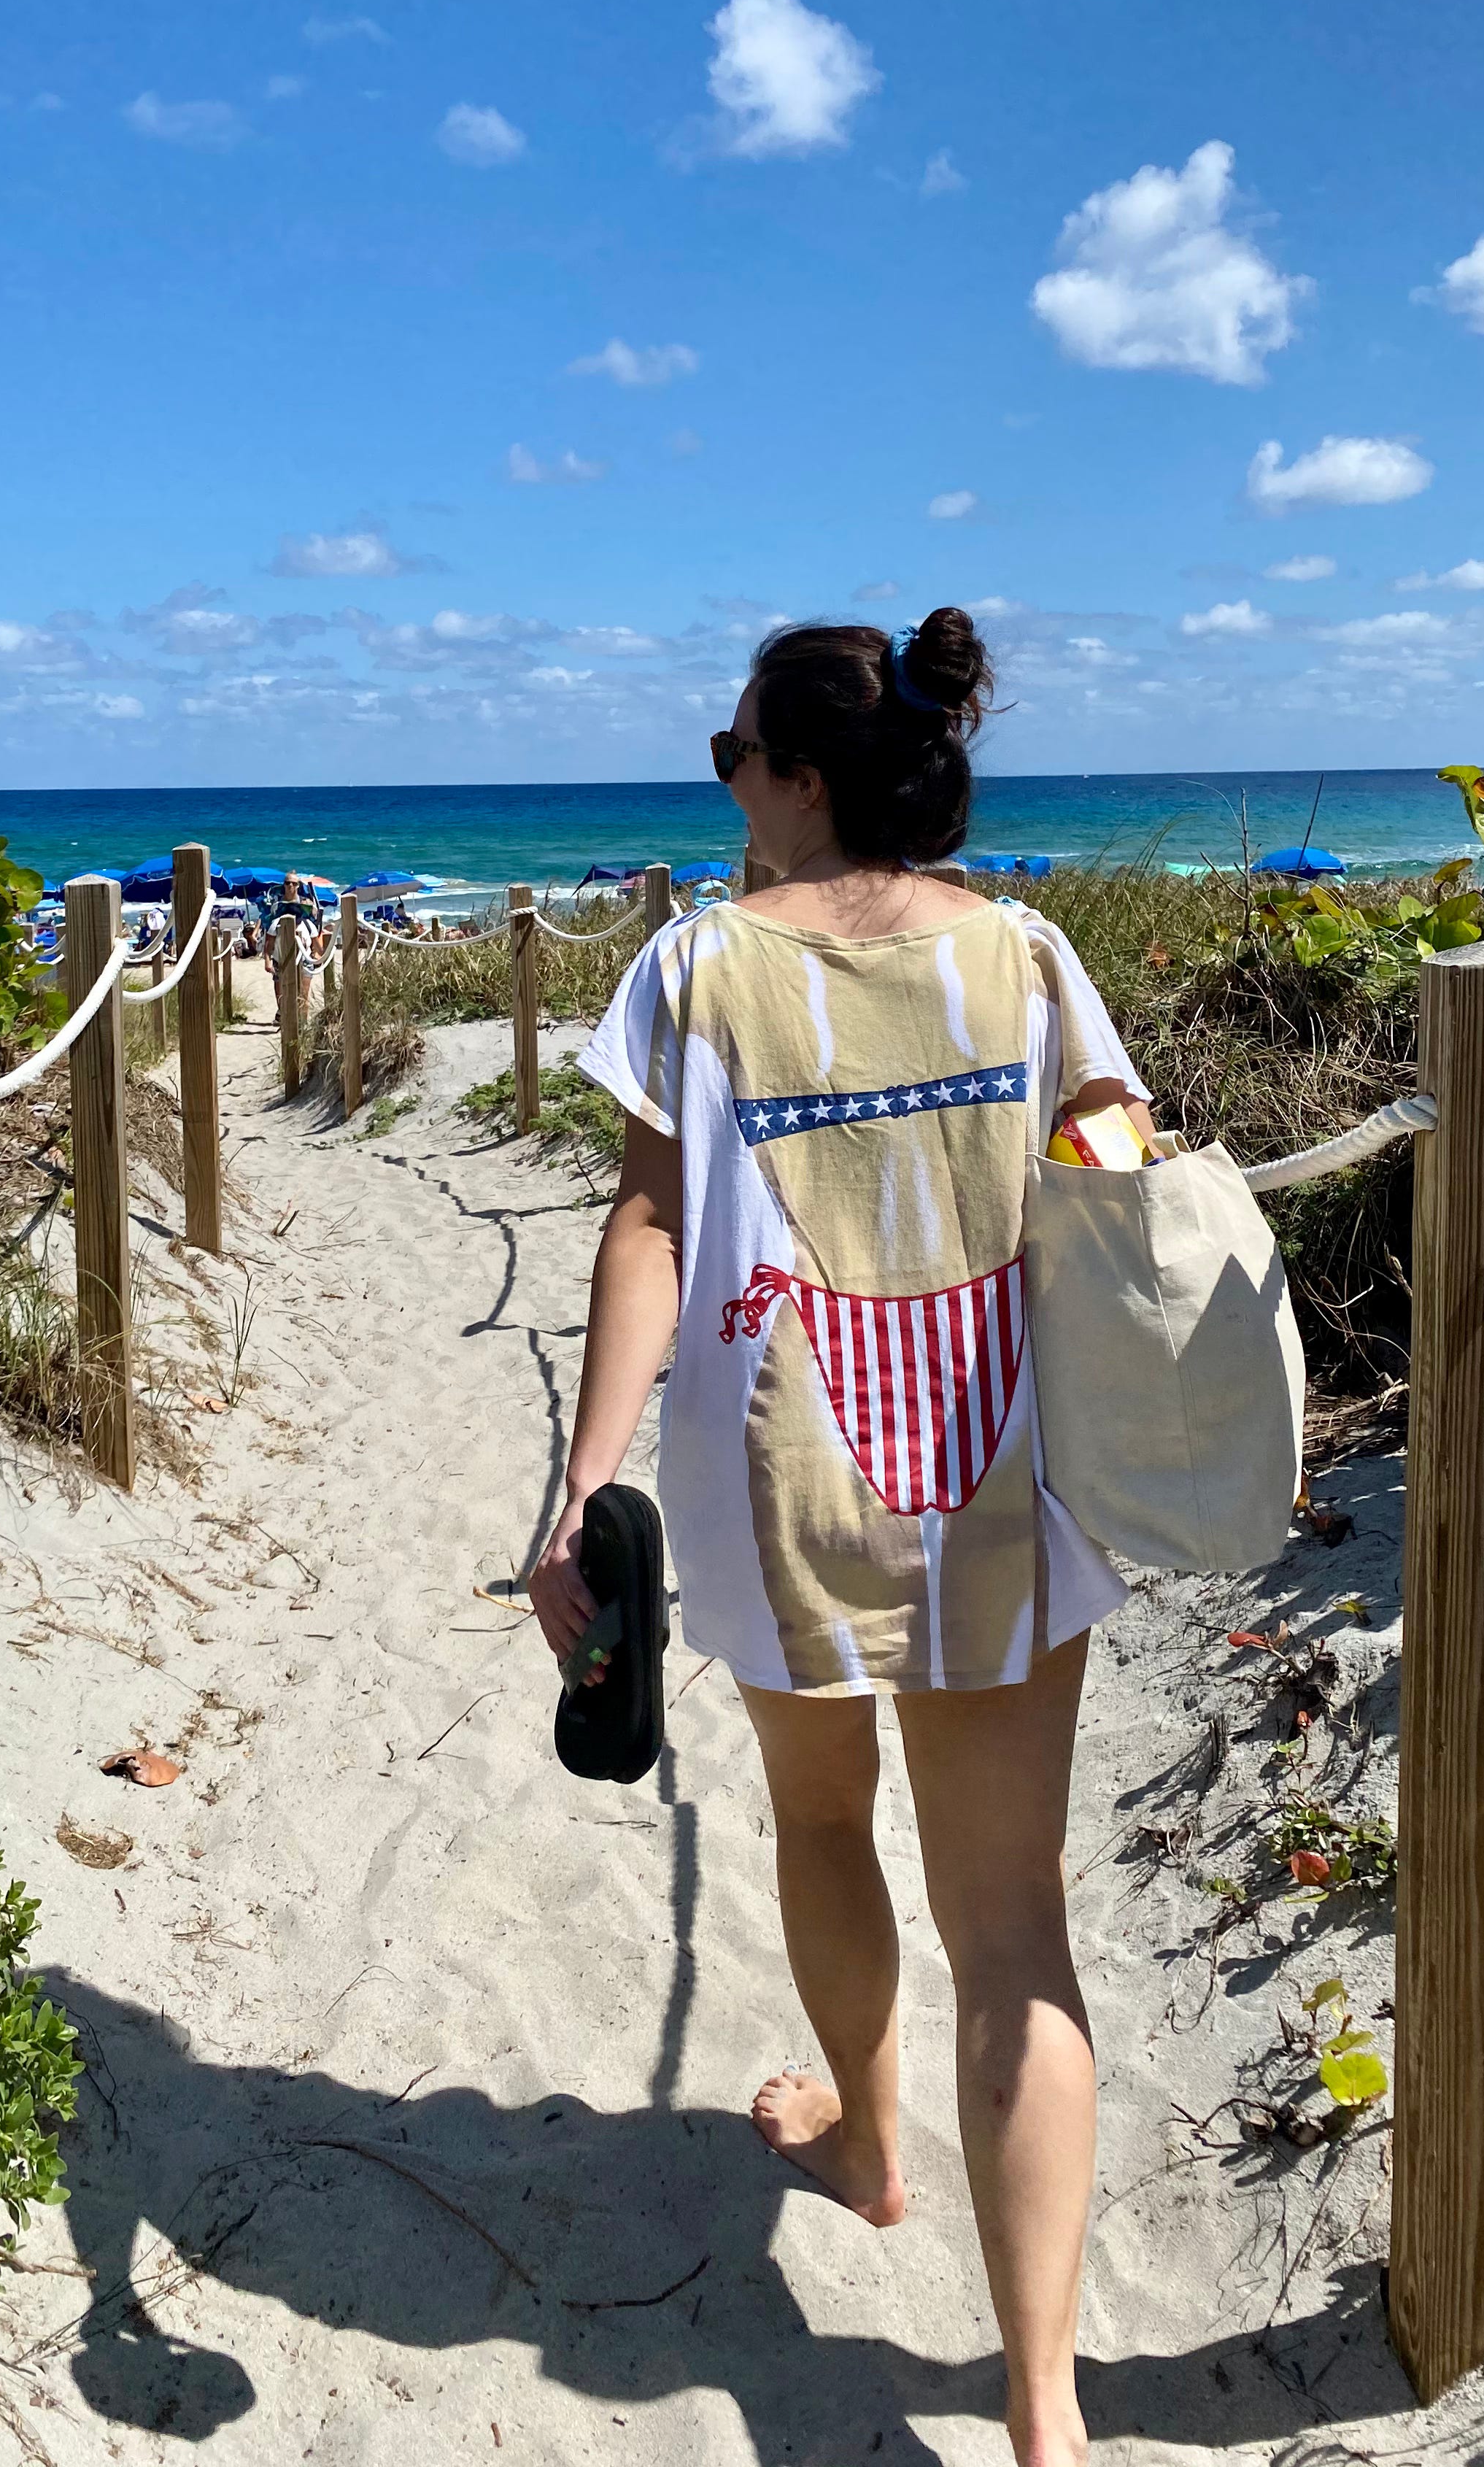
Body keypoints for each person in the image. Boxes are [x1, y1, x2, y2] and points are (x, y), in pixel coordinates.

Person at [531, 608, 1150, 2467]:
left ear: (799, 777)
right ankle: (1045, 2415)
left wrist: (580, 1489)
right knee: (1017, 1929)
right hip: (1003, 1485)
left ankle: (873, 2143)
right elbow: (1113, 1167)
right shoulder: (1026, 955)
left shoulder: (701, 964)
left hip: (784, 1479)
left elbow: (646, 1229)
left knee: (816, 1821)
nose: (723, 788)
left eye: (733, 756)